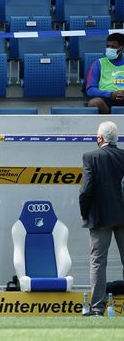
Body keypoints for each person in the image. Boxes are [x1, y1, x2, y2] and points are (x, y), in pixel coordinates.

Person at [79, 121, 124, 316]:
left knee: (98, 262)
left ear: (99, 138)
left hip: (99, 218)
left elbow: (86, 190)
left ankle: (97, 309)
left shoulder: (91, 157)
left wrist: (84, 211)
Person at [85, 33, 124, 114]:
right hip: (106, 98)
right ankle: (107, 119)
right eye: (108, 46)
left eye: (113, 47)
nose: (109, 49)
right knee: (94, 103)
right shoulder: (98, 63)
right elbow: (90, 90)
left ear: (121, 48)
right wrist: (111, 94)